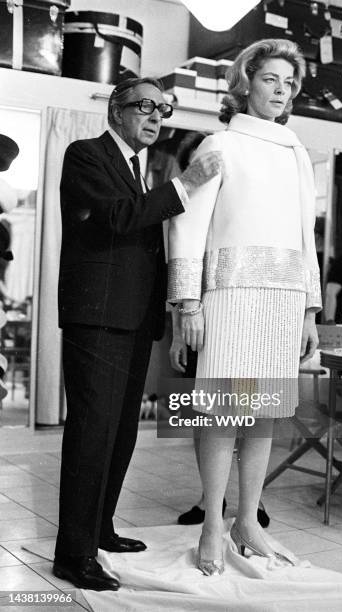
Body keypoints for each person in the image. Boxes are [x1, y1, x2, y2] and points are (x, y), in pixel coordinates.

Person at [54, 77, 222, 591]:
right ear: (117, 110)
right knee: (92, 435)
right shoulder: (85, 155)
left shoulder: (141, 171)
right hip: (97, 320)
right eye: (145, 106)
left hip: (131, 322)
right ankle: (72, 555)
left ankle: (100, 528)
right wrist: (187, 183)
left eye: (163, 109)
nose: (156, 116)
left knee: (122, 433)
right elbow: (115, 218)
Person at [168, 39, 320, 576]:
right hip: (229, 296)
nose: (281, 91)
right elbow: (185, 221)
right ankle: (213, 521)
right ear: (246, 82)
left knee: (266, 412)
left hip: (284, 300)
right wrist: (188, 302)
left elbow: (307, 235)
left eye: (289, 83)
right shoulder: (221, 144)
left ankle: (248, 521)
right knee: (222, 411)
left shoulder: (297, 151)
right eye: (271, 79)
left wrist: (309, 312)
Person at [170, 132, 270, 528]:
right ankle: (208, 498)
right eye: (199, 162)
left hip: (239, 319)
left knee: (249, 412)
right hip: (197, 323)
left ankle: (252, 501)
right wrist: (179, 330)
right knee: (205, 417)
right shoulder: (182, 206)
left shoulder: (238, 204)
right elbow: (177, 270)